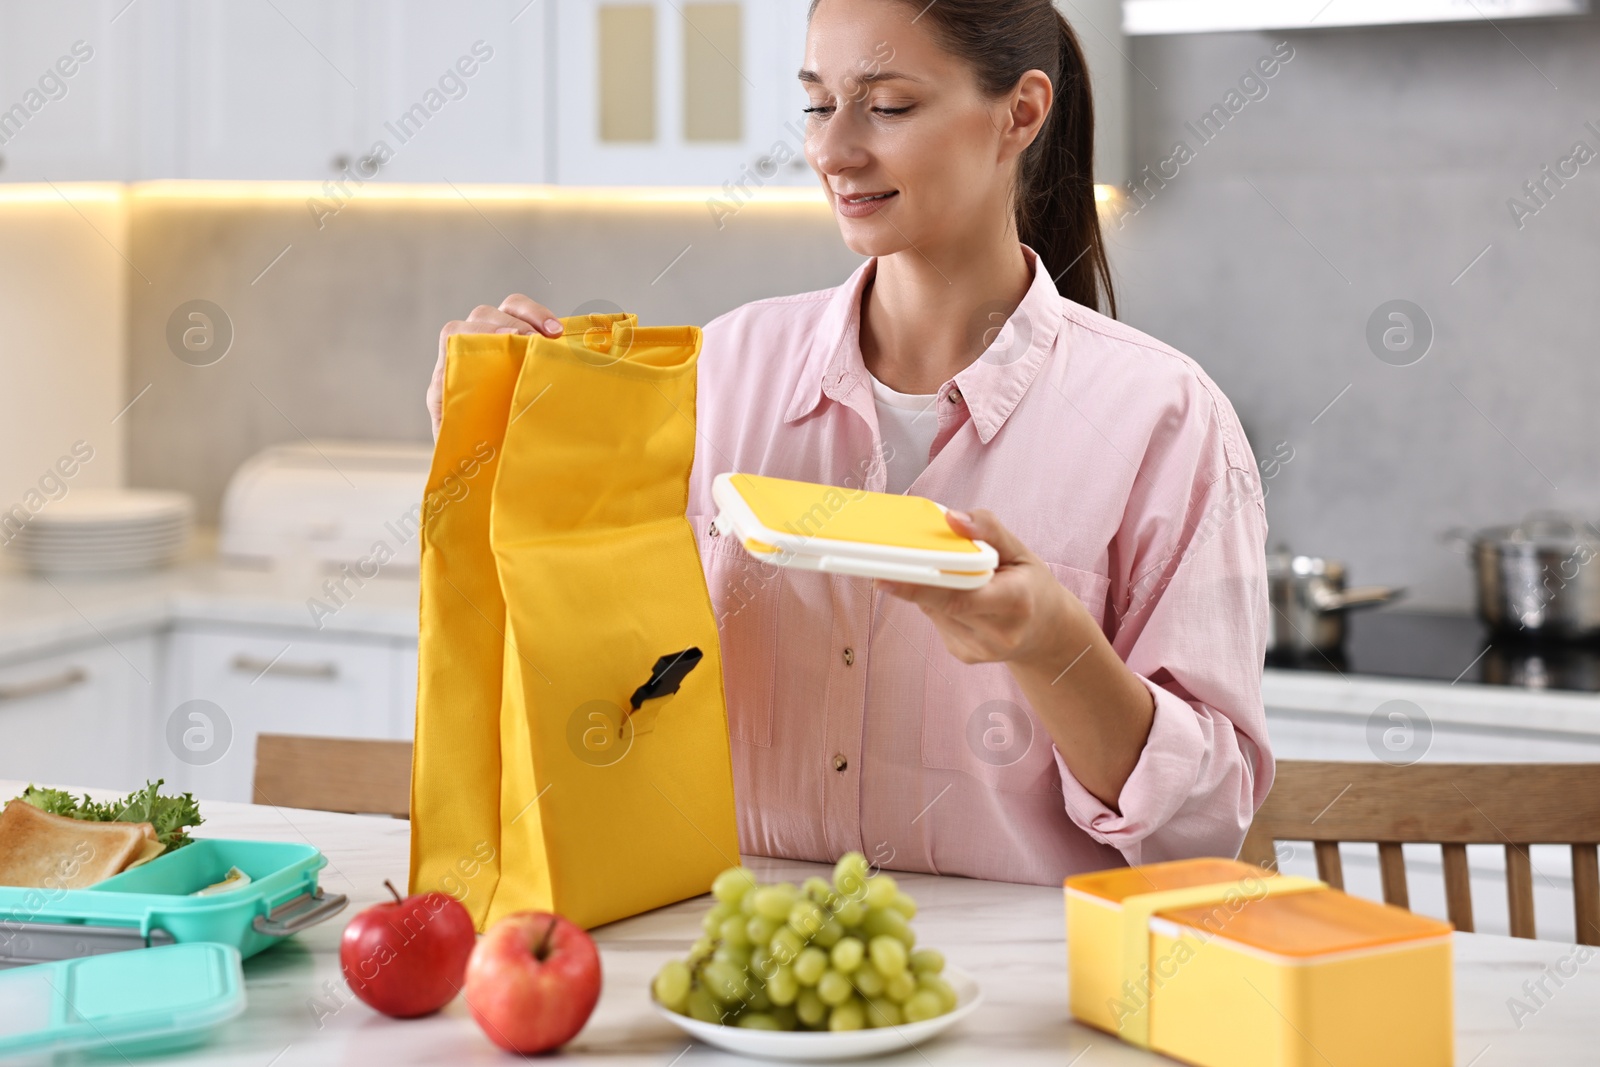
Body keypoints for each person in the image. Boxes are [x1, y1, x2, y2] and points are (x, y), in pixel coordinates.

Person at [427, 0, 1271, 886]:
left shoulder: (1165, 420)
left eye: (889, 106)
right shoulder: (717, 374)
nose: (833, 152)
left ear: (1020, 113)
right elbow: (574, 654)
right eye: (818, 104)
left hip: (1021, 991)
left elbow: (1203, 830)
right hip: (727, 964)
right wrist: (496, 437)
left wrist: (1053, 644)